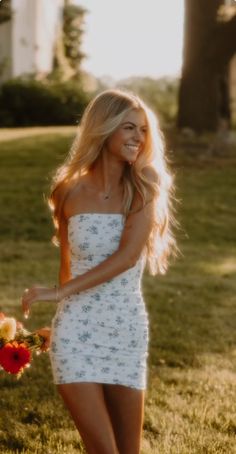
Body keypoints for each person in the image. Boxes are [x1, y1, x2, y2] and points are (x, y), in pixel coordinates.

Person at [21, 89, 176, 454]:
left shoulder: (143, 186)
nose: (138, 137)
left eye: (142, 129)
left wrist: (59, 293)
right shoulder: (67, 192)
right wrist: (59, 320)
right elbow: (67, 266)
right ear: (103, 129)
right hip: (76, 332)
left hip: (125, 328)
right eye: (128, 128)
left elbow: (126, 257)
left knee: (128, 450)